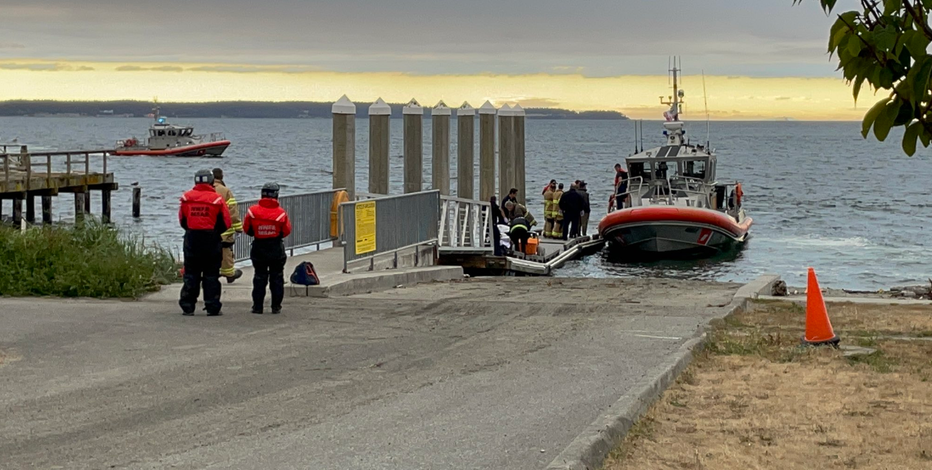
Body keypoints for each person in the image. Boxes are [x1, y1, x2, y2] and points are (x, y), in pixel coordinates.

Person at [178, 169, 231, 316]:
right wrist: (214, 232)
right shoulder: (217, 200)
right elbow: (226, 222)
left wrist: (192, 230)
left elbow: (182, 220)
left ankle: (187, 306)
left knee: (191, 274)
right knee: (211, 275)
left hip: (192, 239)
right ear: (211, 182)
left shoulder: (186, 198)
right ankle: (212, 307)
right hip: (211, 240)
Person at [243, 183, 292, 315]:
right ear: (276, 195)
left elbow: (247, 229)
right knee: (277, 277)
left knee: (259, 277)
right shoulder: (281, 213)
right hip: (275, 247)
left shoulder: (252, 211)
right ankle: (276, 306)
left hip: (259, 247)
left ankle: (257, 306)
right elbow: (286, 231)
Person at [211, 168, 244, 283]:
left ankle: (211, 272)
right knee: (226, 251)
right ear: (222, 177)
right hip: (224, 229)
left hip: (207, 229)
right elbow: (233, 211)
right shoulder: (225, 191)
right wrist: (239, 228)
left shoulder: (205, 190)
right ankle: (229, 274)